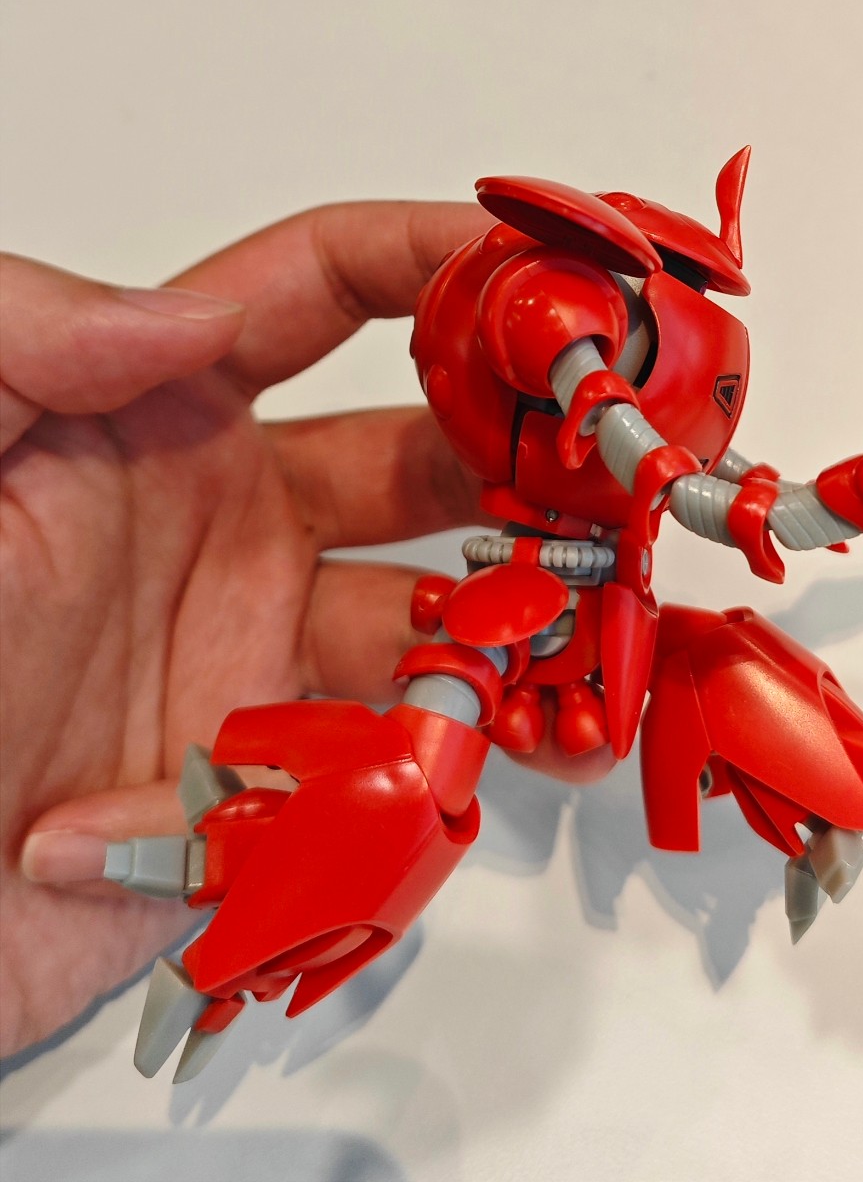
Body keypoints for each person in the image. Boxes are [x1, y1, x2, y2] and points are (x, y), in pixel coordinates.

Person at [0, 202, 612, 1059]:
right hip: (485, 641)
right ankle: (242, 957)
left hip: (524, 631)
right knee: (406, 792)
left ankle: (243, 955)